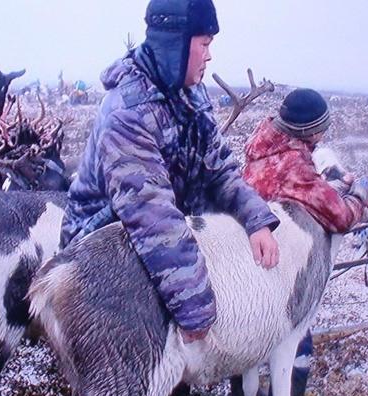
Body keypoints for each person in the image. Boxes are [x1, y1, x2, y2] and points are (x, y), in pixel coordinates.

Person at [60, 0, 280, 349]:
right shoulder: (127, 113)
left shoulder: (189, 90)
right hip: (99, 244)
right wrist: (193, 306)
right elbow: (151, 214)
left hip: (162, 235)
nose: (210, 56)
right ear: (175, 44)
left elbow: (218, 167)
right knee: (148, 368)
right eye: (204, 44)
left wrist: (256, 219)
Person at [229, 88, 368, 396]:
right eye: (320, 127)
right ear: (309, 130)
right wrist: (358, 195)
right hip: (279, 266)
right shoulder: (294, 167)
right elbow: (339, 217)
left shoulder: (265, 142)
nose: (323, 133)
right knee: (296, 341)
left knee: (249, 340)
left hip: (244, 258)